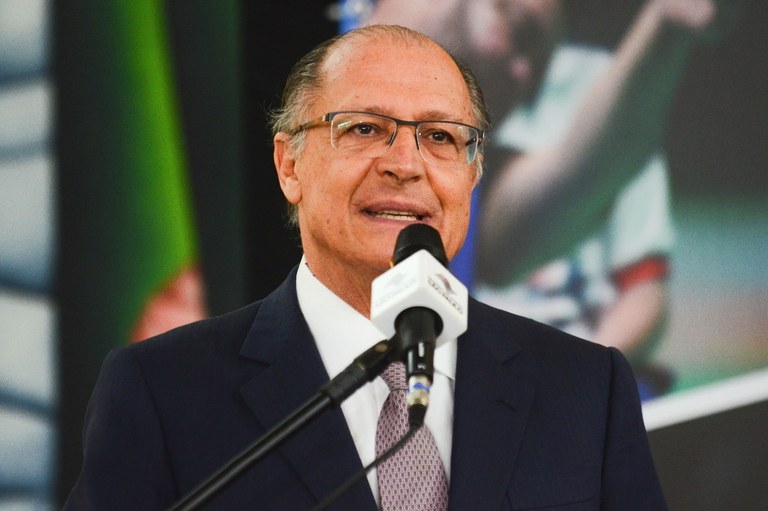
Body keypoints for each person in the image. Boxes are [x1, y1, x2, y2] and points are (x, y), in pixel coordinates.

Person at [63, 25, 666, 509]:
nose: (405, 164)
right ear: (289, 166)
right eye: (365, 128)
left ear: (473, 174)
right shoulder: (162, 393)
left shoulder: (586, 390)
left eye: (441, 137)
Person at [363, 0, 721, 397]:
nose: (522, 77)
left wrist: (665, 27)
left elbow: (578, 179)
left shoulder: (462, 154)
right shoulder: (315, 59)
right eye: (518, 31)